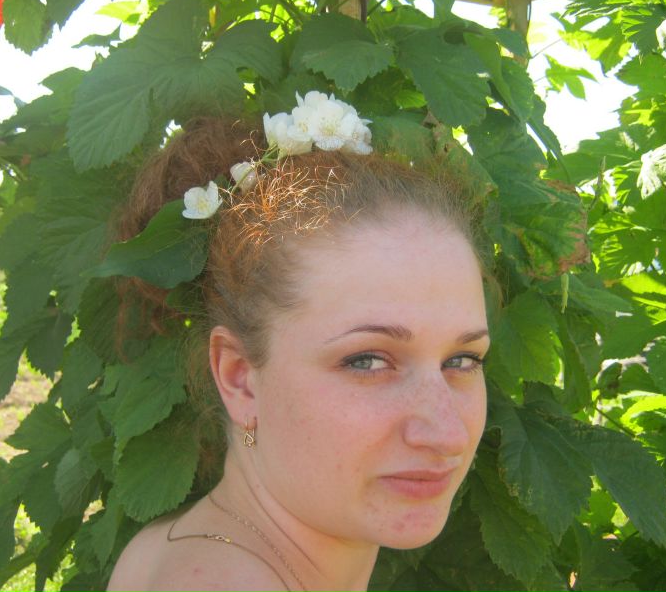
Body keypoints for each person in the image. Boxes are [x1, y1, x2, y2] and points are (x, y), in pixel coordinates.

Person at [106, 94, 490, 592]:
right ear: (240, 378)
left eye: (462, 360)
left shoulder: (175, 544)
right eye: (368, 361)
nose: (447, 434)